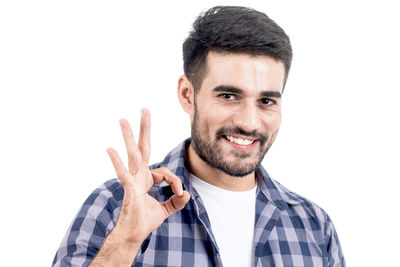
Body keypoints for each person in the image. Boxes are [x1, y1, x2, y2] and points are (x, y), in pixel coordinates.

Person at [52, 6, 345, 267]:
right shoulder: (115, 206)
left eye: (267, 101)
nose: (248, 122)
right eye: (229, 96)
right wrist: (125, 243)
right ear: (187, 94)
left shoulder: (314, 226)